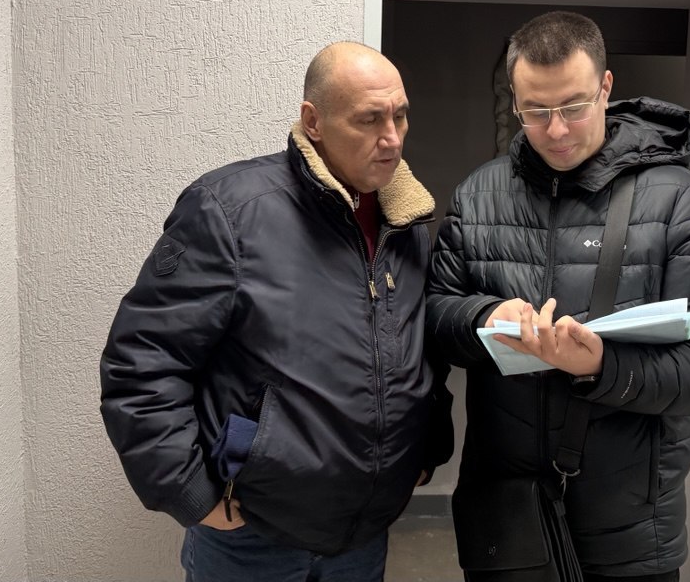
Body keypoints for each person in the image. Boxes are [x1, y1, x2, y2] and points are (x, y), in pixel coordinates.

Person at [101, 41, 453, 582]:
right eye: (369, 119)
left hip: (363, 534)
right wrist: (191, 493)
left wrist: (424, 449)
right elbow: (143, 361)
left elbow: (418, 353)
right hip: (252, 538)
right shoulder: (230, 211)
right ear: (314, 122)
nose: (392, 138)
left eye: (400, 116)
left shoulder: (405, 224)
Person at [426, 11, 690, 581]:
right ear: (514, 100)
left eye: (573, 106)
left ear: (605, 87)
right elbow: (433, 317)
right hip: (509, 512)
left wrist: (601, 365)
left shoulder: (678, 202)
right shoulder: (477, 196)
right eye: (535, 111)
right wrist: (484, 315)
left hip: (632, 525)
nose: (556, 131)